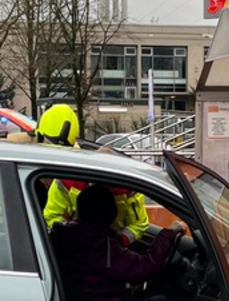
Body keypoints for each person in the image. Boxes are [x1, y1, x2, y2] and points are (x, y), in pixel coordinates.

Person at [50, 184, 185, 301]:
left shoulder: (67, 235)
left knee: (161, 299)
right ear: (111, 214)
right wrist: (169, 233)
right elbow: (144, 268)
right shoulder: (100, 244)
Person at [37, 104, 149, 245]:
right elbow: (51, 215)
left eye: (111, 187)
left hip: (112, 247)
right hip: (75, 247)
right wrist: (74, 234)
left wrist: (118, 241)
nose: (109, 190)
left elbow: (139, 225)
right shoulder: (67, 180)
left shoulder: (129, 187)